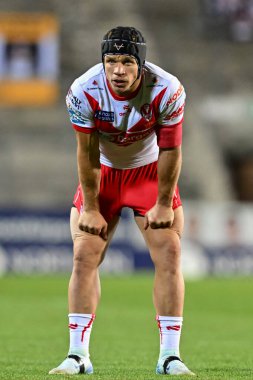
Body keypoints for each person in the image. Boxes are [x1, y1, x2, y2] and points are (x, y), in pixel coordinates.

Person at [49, 26, 195, 376]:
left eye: (127, 61)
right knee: (84, 255)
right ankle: (77, 355)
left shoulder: (167, 89)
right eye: (111, 61)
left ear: (140, 65)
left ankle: (169, 357)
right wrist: (91, 207)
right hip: (104, 174)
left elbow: (172, 149)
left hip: (149, 173)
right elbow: (86, 153)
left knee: (171, 253)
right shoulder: (84, 90)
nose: (118, 70)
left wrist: (162, 202)